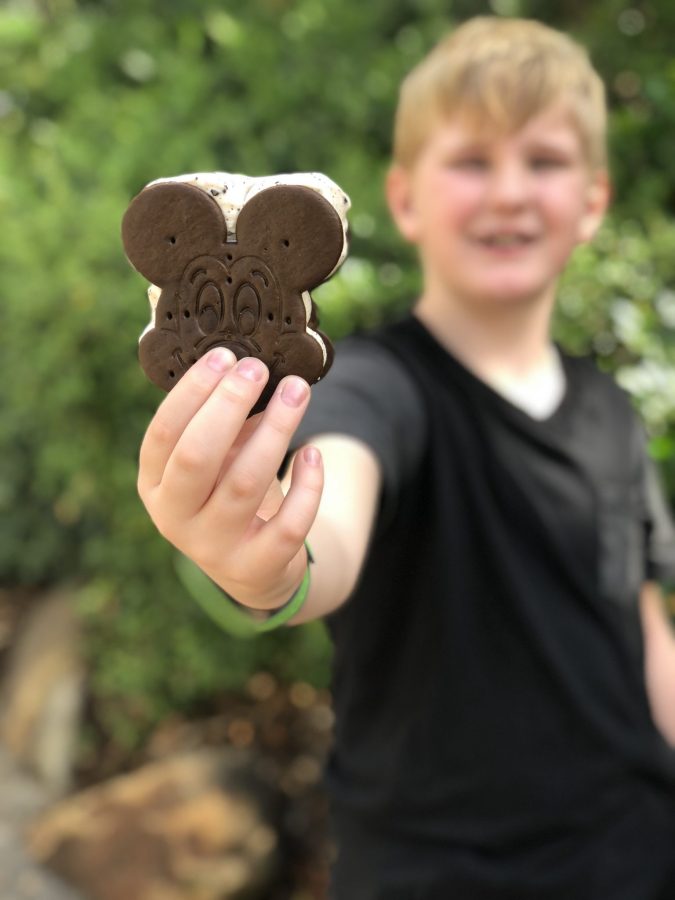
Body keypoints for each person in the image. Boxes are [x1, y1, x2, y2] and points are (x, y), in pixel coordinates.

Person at [136, 16, 675, 899]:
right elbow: (330, 519)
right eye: (471, 161)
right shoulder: (380, 388)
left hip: (636, 858)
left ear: (591, 201)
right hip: (435, 874)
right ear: (405, 196)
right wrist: (265, 566)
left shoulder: (610, 414)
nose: (508, 191)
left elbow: (639, 627)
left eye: (541, 161)